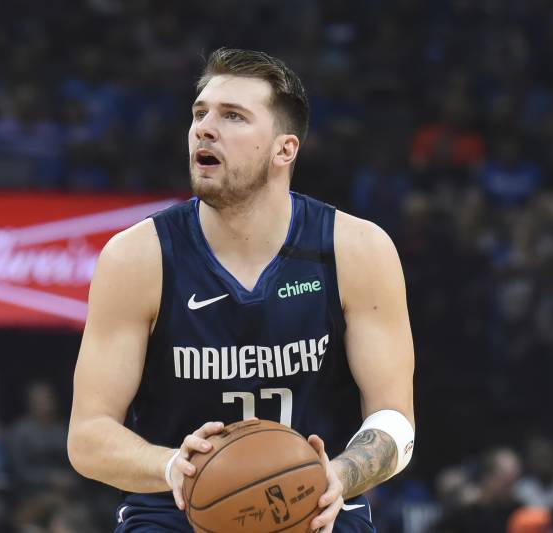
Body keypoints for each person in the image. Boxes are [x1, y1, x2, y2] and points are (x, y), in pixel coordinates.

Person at [67, 48, 416, 532]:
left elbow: (396, 424)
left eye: (233, 116)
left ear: (284, 150)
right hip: (175, 515)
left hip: (317, 510)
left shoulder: (358, 250)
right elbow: (87, 437)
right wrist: (175, 467)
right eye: (199, 113)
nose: (204, 128)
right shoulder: (137, 257)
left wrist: (336, 474)